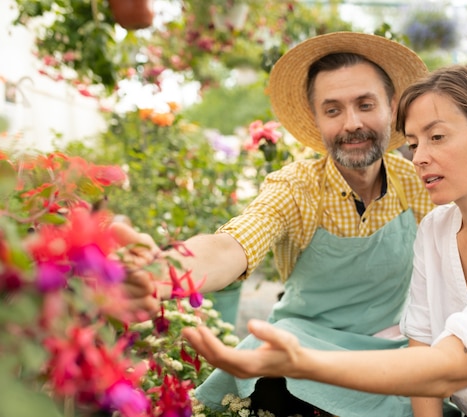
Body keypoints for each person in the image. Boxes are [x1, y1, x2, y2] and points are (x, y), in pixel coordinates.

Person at [180, 64, 467, 417]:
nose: (421, 157)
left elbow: (452, 365)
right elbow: (422, 344)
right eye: (413, 143)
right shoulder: (435, 227)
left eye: (437, 137)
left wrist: (302, 365)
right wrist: (172, 271)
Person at [112, 31, 446, 417]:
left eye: (365, 104)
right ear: (316, 119)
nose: (352, 123)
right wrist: (166, 269)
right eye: (333, 110)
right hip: (303, 346)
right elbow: (234, 244)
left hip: (391, 349)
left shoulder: (419, 182)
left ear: (391, 106)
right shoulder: (295, 187)